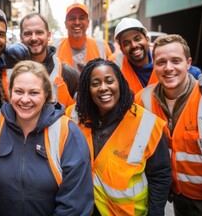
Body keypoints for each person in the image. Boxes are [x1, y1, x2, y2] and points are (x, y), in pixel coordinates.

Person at [0, 60, 94, 215]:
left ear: (46, 94)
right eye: (19, 91)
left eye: (34, 93)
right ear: (10, 91)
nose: (25, 99)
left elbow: (75, 202)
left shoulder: (67, 132)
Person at [134, 34, 202, 216]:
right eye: (161, 62)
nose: (168, 68)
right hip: (175, 199)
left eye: (176, 61)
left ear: (188, 63)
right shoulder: (142, 100)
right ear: (153, 65)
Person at [69, 58, 171, 215]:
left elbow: (160, 176)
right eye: (95, 83)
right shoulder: (74, 115)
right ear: (87, 89)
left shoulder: (147, 125)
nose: (103, 88)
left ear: (120, 84)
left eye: (110, 81)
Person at [2, 12, 79, 107]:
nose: (34, 38)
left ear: (49, 35)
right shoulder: (5, 70)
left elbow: (83, 111)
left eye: (39, 32)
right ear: (21, 38)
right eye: (28, 34)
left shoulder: (67, 74)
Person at [113, 17, 202, 95]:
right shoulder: (116, 64)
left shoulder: (162, 55)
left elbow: (190, 71)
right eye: (126, 43)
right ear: (121, 49)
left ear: (147, 39)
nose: (134, 45)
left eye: (137, 39)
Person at [54, 3, 113, 72]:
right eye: (72, 18)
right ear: (65, 24)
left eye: (81, 18)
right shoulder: (54, 47)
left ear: (88, 23)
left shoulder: (102, 46)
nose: (77, 22)